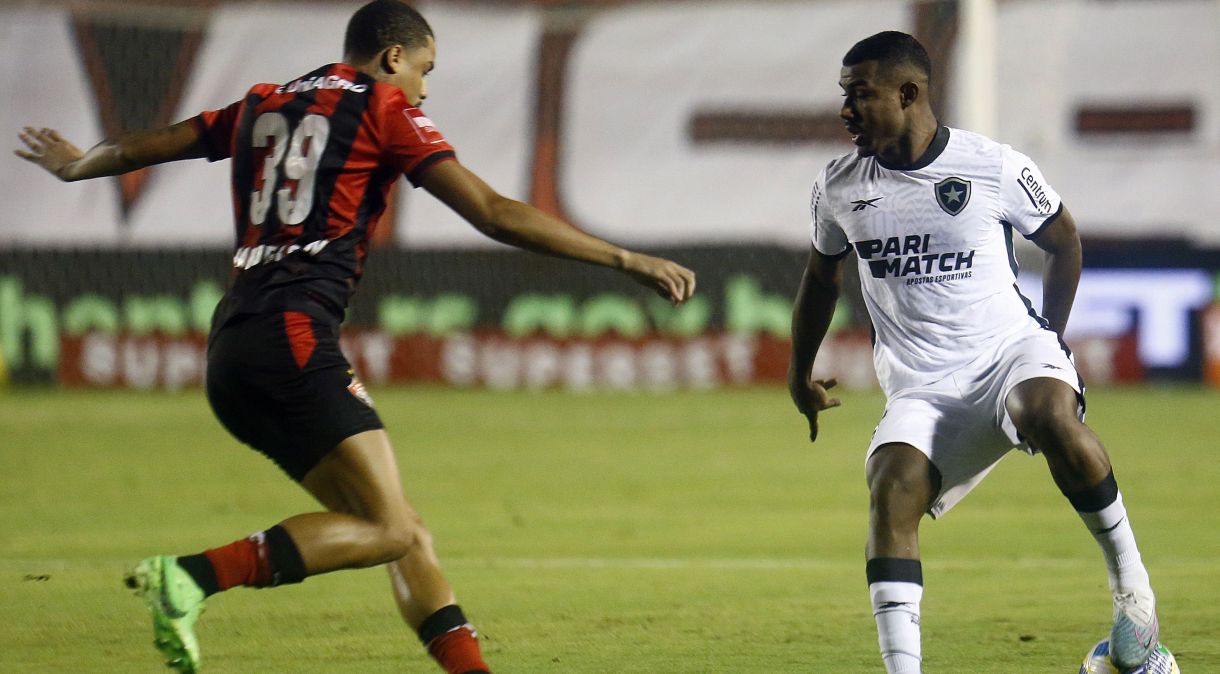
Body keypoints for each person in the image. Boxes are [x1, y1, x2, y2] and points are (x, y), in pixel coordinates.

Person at [15, 2, 695, 672]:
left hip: (233, 350)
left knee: (401, 527)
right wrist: (627, 260)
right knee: (389, 529)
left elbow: (149, 144)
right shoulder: (382, 107)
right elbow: (493, 212)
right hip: (294, 343)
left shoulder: (264, 101)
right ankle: (191, 577)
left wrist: (79, 166)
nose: (425, 88)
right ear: (392, 56)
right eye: (424, 69)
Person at [788, 31, 1158, 674]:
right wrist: (799, 372)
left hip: (1008, 354)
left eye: (859, 95)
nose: (845, 110)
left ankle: (1131, 587)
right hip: (922, 388)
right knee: (890, 486)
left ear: (908, 93)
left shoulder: (992, 166)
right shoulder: (839, 187)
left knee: (1045, 407)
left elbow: (1065, 241)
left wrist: (1051, 339)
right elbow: (822, 279)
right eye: (843, 96)